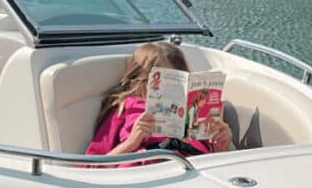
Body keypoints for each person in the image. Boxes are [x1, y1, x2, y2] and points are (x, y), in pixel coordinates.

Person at [85, 41, 232, 164]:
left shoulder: (194, 112)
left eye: (174, 84)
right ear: (135, 83)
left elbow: (214, 161)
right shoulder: (123, 109)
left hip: (195, 171)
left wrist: (222, 145)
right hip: (149, 175)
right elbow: (91, 169)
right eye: (158, 83)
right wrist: (131, 143)